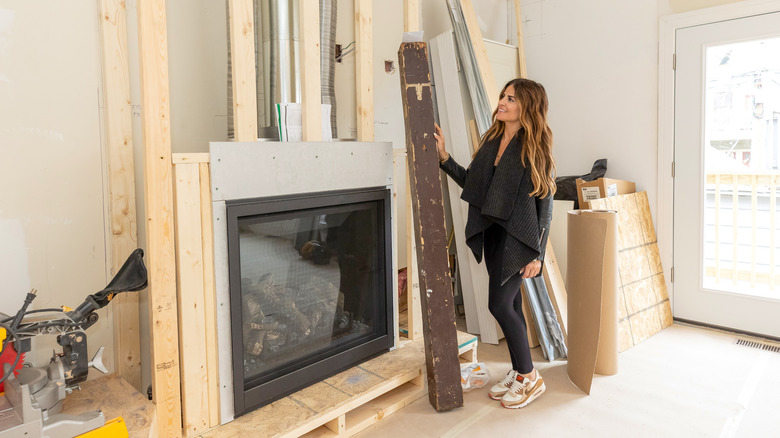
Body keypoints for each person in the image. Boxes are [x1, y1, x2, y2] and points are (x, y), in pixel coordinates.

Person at [434, 78, 555, 409]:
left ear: (526, 107)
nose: (502, 102)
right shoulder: (492, 141)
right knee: (511, 305)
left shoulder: (535, 147)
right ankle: (518, 371)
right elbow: (472, 184)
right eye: (503, 95)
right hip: (493, 233)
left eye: (511, 98)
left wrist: (539, 254)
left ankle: (531, 378)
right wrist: (444, 157)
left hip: (519, 237)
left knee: (498, 305)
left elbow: (545, 204)